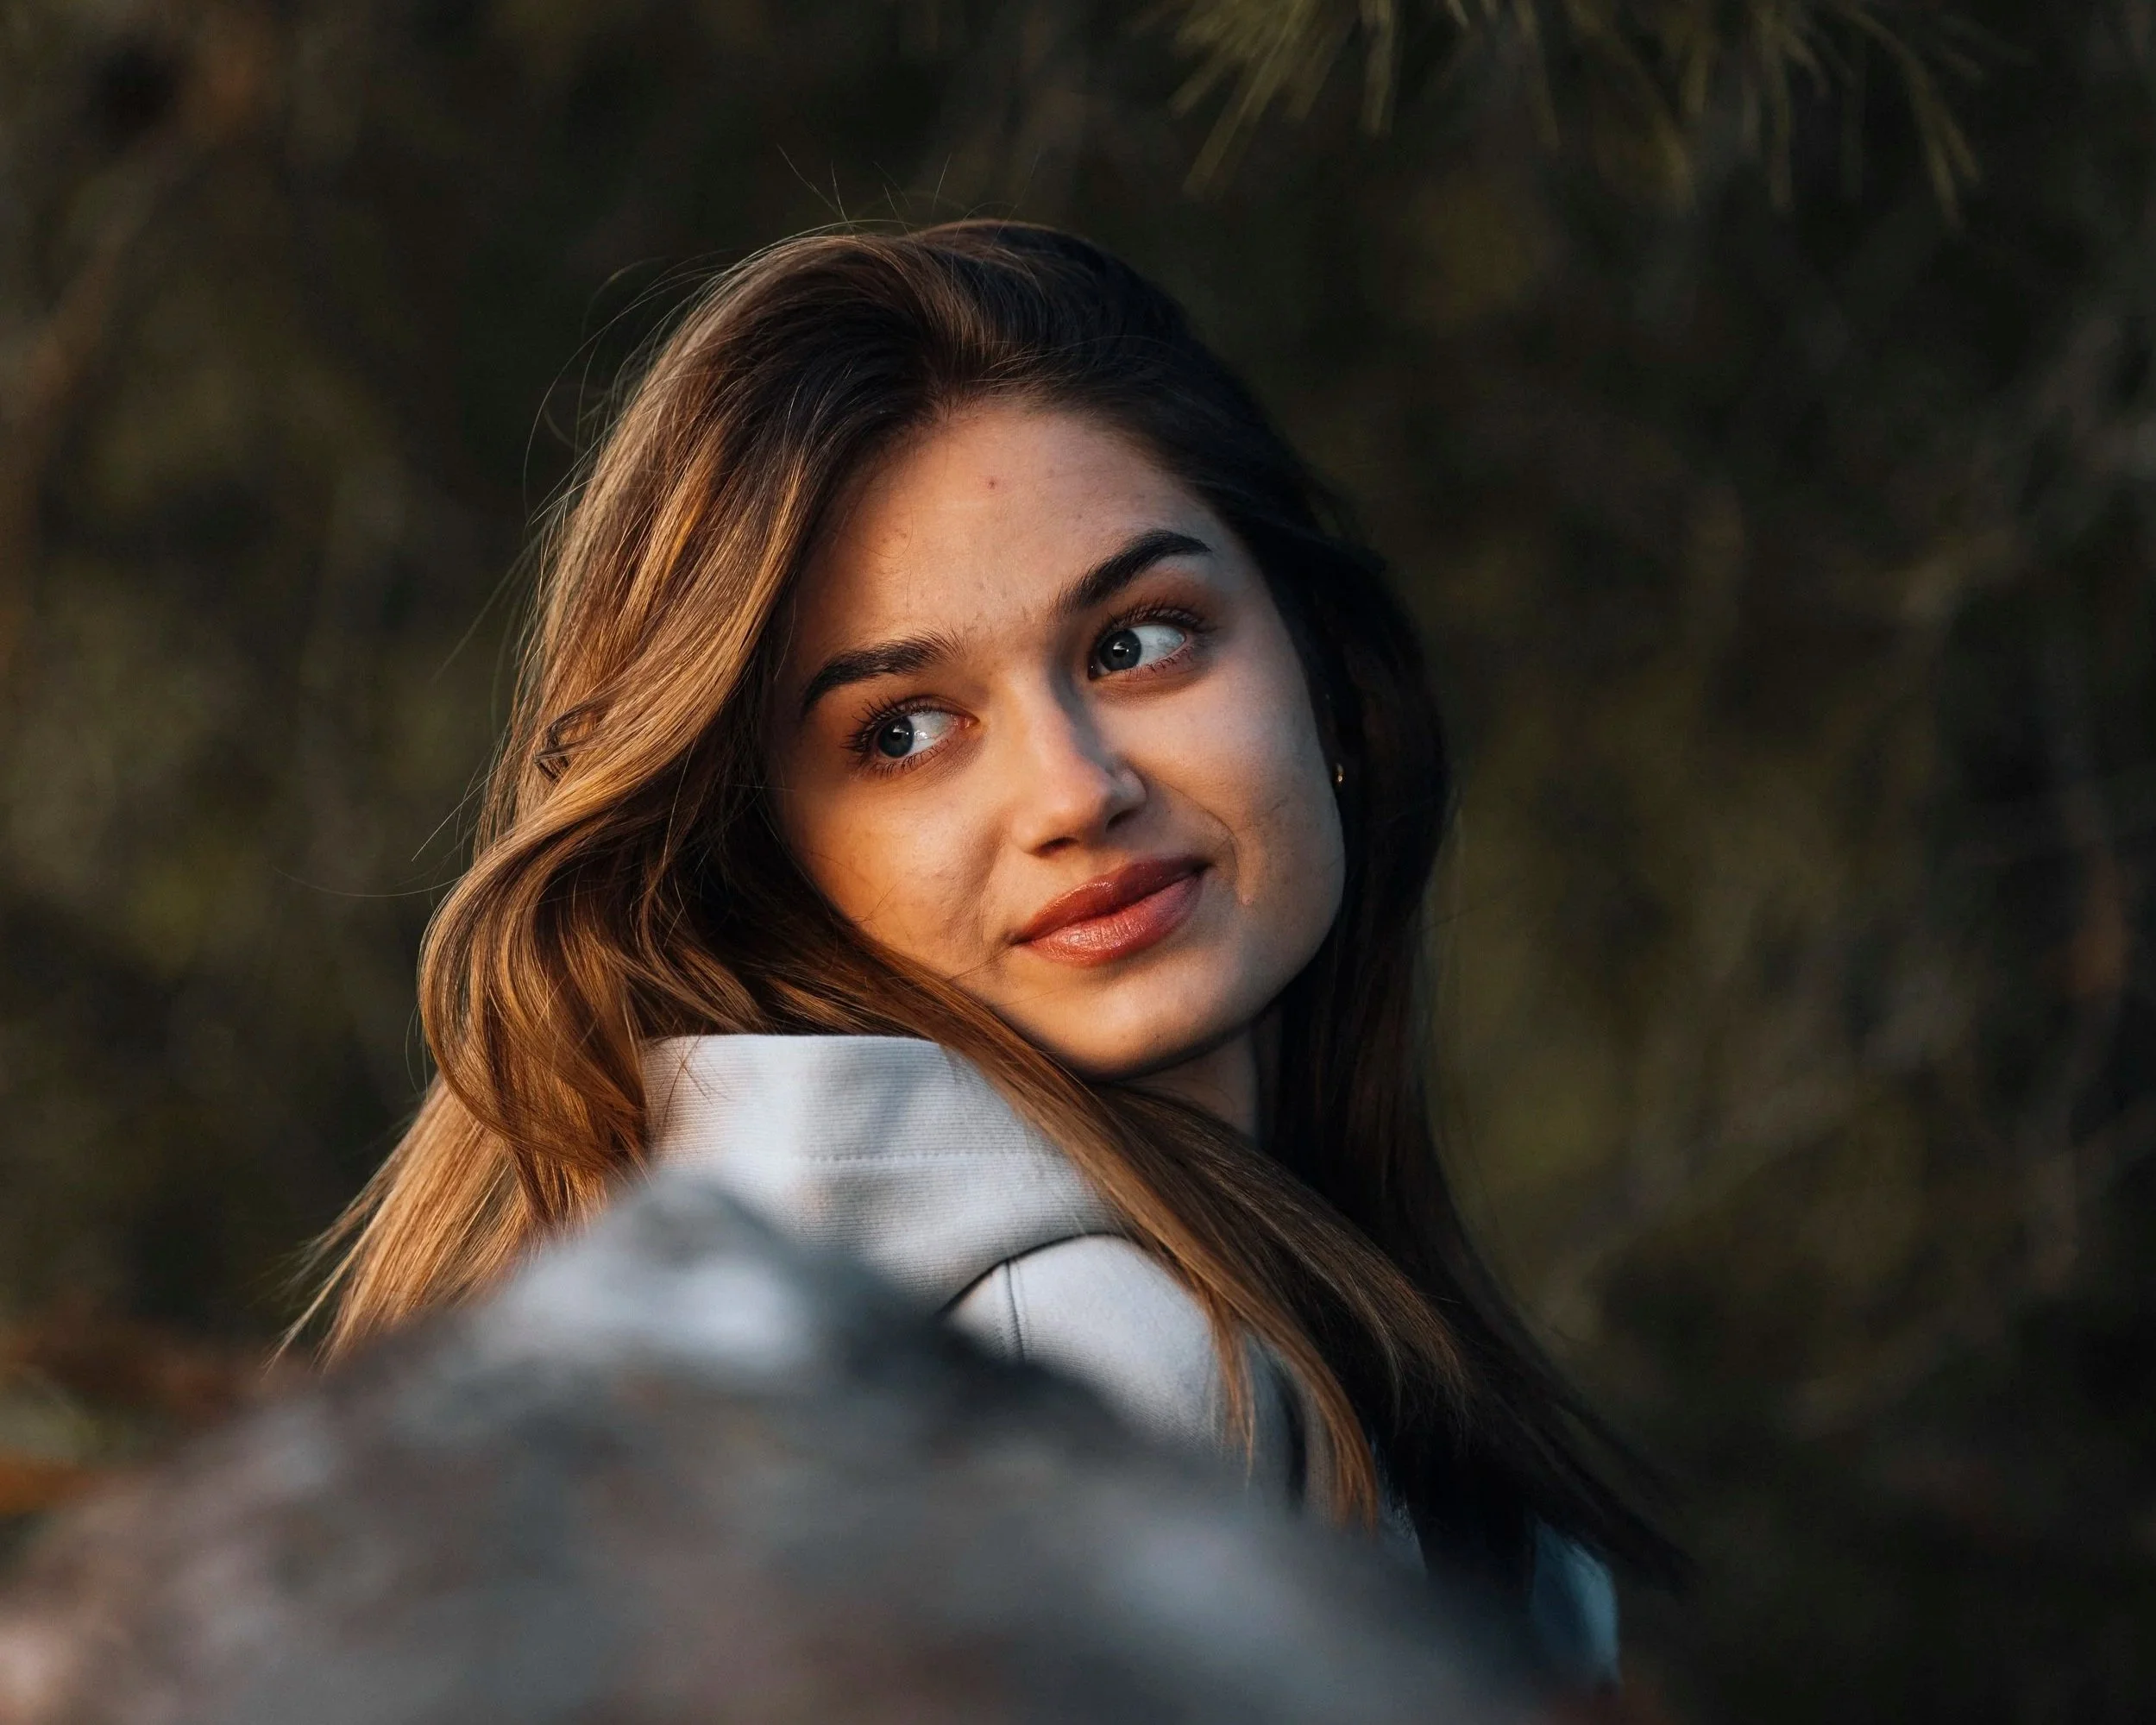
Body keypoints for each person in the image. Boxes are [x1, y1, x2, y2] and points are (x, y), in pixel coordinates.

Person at [305, 220, 1675, 1689]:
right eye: (900, 731)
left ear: (1324, 675)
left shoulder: (802, 1354)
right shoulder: (1087, 1365)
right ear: (761, 859)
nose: (1075, 789)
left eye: (1138, 642)